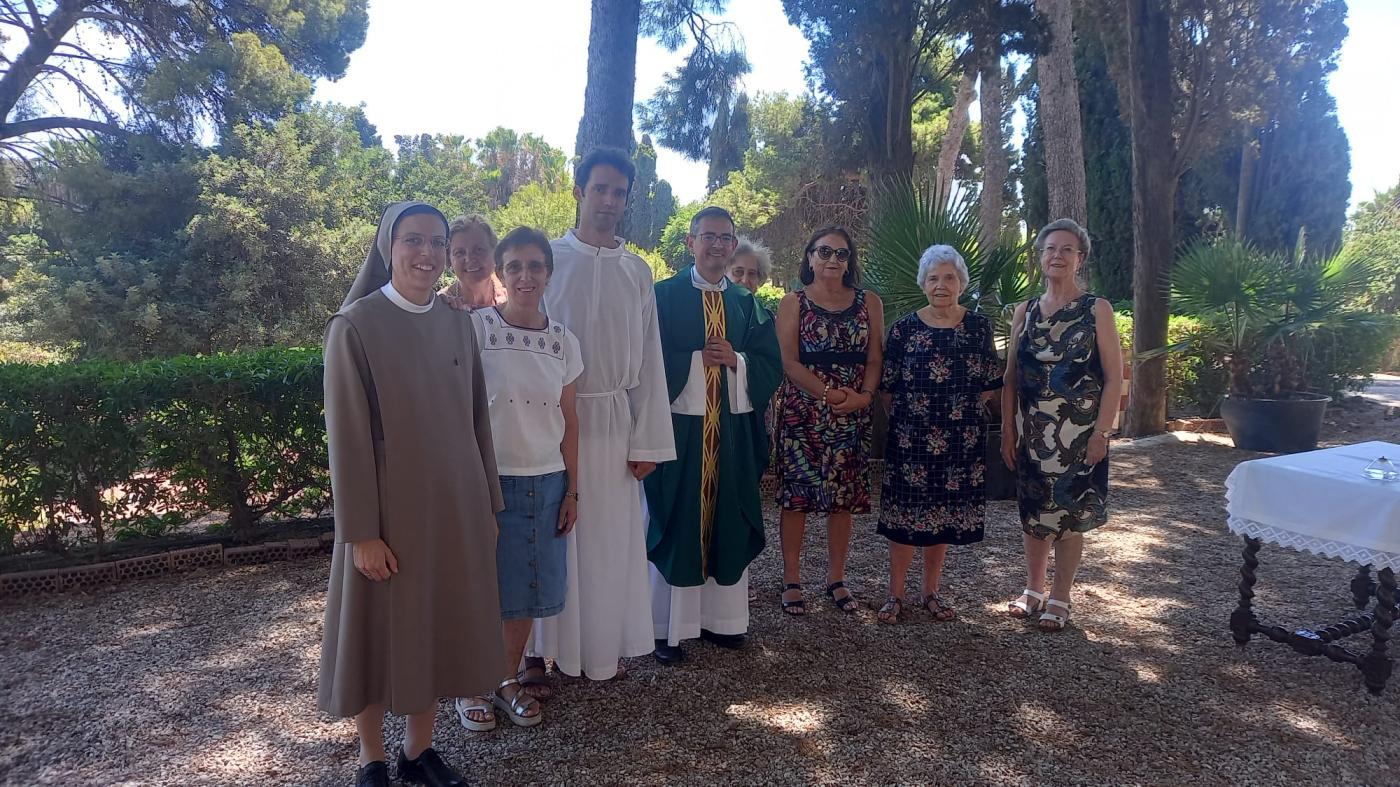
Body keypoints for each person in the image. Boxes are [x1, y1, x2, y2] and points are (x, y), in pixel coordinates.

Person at [319, 201, 503, 787]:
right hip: (388, 518)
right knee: (378, 637)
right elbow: (346, 436)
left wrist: (488, 502)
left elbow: (478, 419)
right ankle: (373, 758)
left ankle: (417, 751)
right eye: (412, 240)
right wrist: (362, 533)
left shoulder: (457, 321)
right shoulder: (355, 326)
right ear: (388, 247)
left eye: (436, 242)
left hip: (454, 509)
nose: (425, 253)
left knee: (436, 629)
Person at [531, 148, 677, 681]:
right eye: (601, 189)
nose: (610, 201)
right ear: (579, 191)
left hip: (615, 423)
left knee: (607, 542)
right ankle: (539, 651)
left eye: (620, 192)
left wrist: (649, 442)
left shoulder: (636, 271)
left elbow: (650, 360)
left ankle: (596, 650)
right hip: (551, 423)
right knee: (554, 537)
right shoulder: (546, 259)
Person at [455, 226, 581, 732]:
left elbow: (570, 419)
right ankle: (468, 684)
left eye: (535, 266)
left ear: (548, 272)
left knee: (527, 589)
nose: (525, 276)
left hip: (547, 480)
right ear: (500, 273)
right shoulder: (475, 330)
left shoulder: (564, 341)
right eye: (515, 267)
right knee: (483, 589)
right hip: (489, 481)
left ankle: (506, 678)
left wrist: (573, 488)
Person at [645, 207, 783, 663]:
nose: (718, 246)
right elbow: (646, 359)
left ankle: (722, 622)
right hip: (680, 433)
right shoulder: (662, 296)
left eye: (726, 238)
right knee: (678, 516)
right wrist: (693, 360)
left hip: (730, 433)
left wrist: (736, 361)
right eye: (709, 237)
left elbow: (769, 362)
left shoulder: (745, 303)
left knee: (725, 513)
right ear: (691, 242)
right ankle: (669, 628)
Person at [1001, 218, 1123, 632]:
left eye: (1066, 249)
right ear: (1040, 257)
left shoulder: (1097, 309)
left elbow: (1113, 377)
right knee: (1034, 514)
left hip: (1079, 435)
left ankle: (1061, 596)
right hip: (1033, 434)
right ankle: (1033, 589)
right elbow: (1010, 378)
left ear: (1080, 258)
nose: (1057, 255)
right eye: (1050, 248)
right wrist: (1008, 430)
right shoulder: (1025, 311)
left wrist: (1102, 433)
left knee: (1070, 517)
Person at [875, 245, 1002, 624]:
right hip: (909, 441)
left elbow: (988, 385)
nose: (941, 285)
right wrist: (910, 421)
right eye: (933, 278)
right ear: (923, 284)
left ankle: (930, 591)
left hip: (960, 442)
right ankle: (895, 594)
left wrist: (955, 415)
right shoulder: (903, 329)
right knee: (904, 519)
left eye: (949, 277)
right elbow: (887, 388)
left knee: (942, 519)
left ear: (961, 283)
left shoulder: (979, 328)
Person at [774, 227, 883, 616]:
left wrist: (862, 398)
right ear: (809, 257)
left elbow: (874, 359)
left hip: (852, 410)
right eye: (824, 252)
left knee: (843, 499)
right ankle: (791, 578)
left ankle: (836, 578)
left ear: (850, 260)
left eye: (841, 253)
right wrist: (826, 394)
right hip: (804, 410)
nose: (833, 259)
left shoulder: (869, 302)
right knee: (798, 497)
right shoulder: (793, 302)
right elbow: (789, 361)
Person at [440, 214, 507, 309]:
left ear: (495, 252)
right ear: (449, 259)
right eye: (459, 252)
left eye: (478, 250)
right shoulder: (443, 306)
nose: (469, 258)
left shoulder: (512, 296)